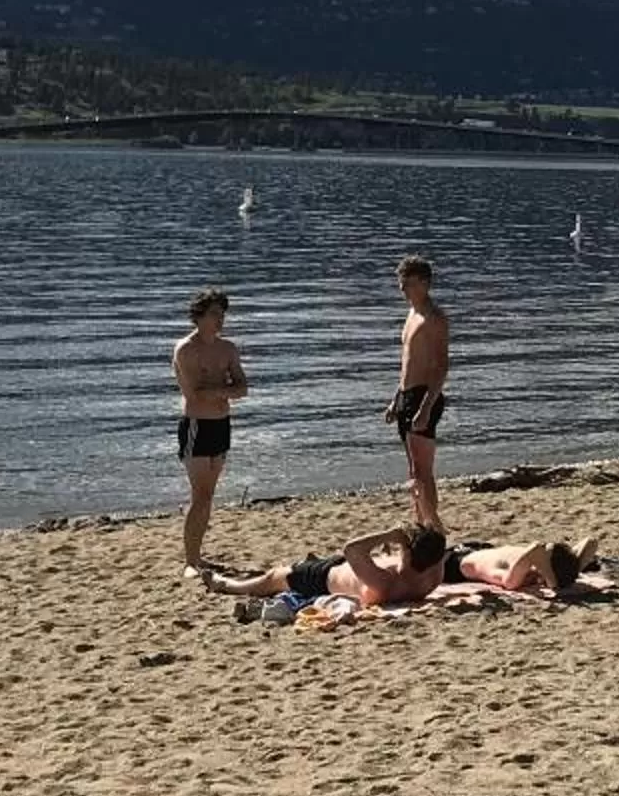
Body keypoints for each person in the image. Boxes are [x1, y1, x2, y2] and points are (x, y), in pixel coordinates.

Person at [202, 523, 450, 614]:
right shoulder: (433, 576)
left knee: (272, 578)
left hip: (322, 578)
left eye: (403, 548)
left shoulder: (386, 583)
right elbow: (437, 542)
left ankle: (227, 585)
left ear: (409, 555)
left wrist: (390, 534)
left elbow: (351, 549)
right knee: (296, 566)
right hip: (346, 568)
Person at [171, 286, 250, 572]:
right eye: (215, 314)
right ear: (200, 316)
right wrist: (225, 390)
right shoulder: (186, 349)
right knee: (200, 496)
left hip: (221, 425)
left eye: (222, 314)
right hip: (197, 426)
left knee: (208, 496)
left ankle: (197, 556)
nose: (220, 320)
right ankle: (190, 561)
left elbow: (242, 388)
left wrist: (218, 390)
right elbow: (194, 395)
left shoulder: (227, 348)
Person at [387, 253, 451, 532]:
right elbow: (408, 362)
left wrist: (426, 407)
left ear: (425, 283)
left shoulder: (434, 319)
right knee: (413, 470)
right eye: (401, 283)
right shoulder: (412, 314)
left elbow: (441, 366)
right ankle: (420, 524)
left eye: (409, 283)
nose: (403, 289)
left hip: (424, 396)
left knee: (423, 471)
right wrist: (395, 399)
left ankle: (433, 528)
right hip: (407, 395)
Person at [448, 537, 592, 598]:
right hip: (452, 563)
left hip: (479, 549)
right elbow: (510, 584)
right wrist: (551, 580)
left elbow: (591, 542)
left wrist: (574, 568)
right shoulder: (518, 569)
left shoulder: (535, 561)